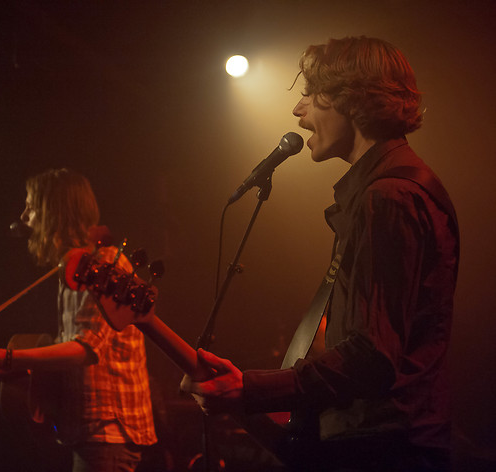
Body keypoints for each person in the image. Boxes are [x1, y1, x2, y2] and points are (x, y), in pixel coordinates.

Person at [181, 36, 459, 472]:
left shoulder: (388, 197)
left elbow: (372, 355)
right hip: (380, 441)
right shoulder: (383, 191)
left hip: (383, 449)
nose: (298, 109)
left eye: (310, 94)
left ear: (351, 99)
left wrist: (253, 389)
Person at [0, 168, 157, 472]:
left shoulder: (104, 264)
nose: (24, 216)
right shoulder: (73, 266)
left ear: (55, 213)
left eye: (32, 207)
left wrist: (3, 356)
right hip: (89, 432)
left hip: (108, 433)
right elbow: (69, 353)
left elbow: (86, 349)